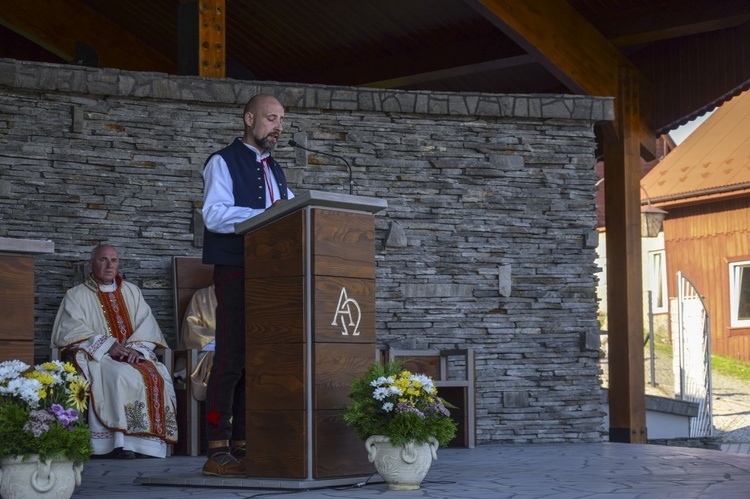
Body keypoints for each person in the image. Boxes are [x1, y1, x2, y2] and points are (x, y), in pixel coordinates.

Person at [201, 94, 294, 476]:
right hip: (236, 267)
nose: (278, 126)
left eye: (281, 120)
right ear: (248, 118)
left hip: (271, 273)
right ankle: (216, 446)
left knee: (257, 360)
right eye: (271, 118)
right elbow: (214, 215)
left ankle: (243, 444)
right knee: (232, 357)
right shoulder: (223, 161)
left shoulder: (276, 170)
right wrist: (263, 215)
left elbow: (292, 213)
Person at [51, 244, 178, 459]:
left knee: (157, 374)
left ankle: (147, 444)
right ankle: (118, 444)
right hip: (98, 356)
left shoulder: (132, 291)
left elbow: (147, 324)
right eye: (103, 260)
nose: (109, 265)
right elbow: (70, 329)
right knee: (119, 375)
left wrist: (137, 349)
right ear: (91, 264)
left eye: (114, 260)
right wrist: (107, 344)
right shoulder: (76, 295)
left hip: (133, 355)